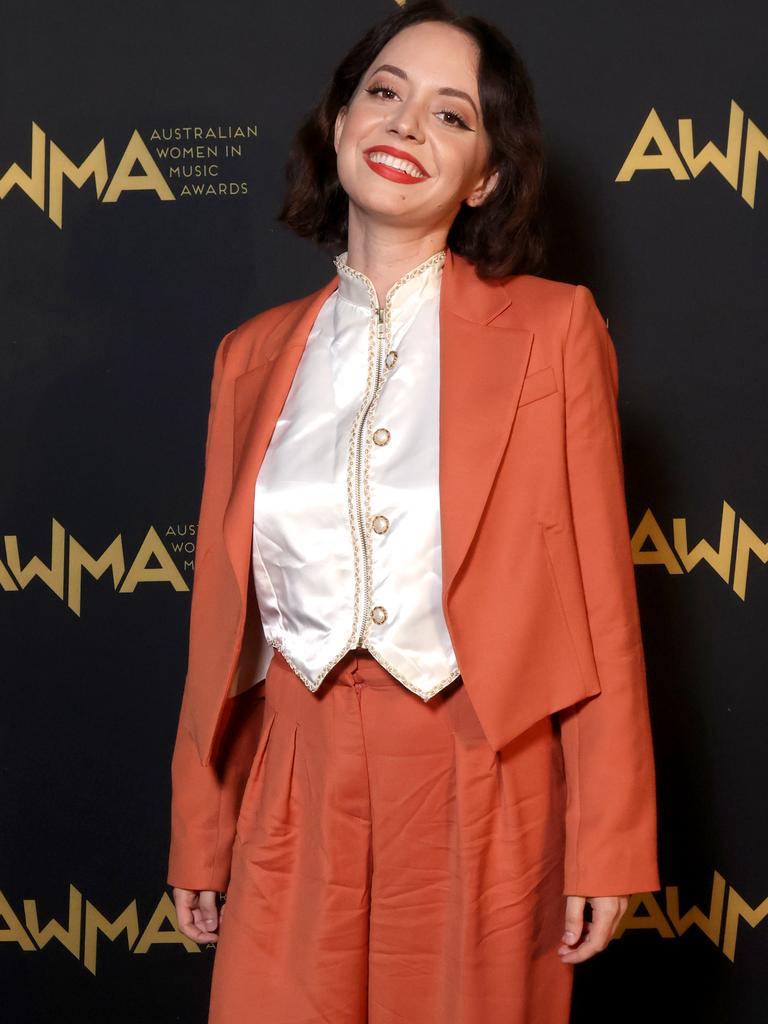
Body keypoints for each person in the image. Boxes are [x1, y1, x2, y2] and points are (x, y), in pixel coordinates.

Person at [167, 1, 660, 1021]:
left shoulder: (555, 329)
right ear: (339, 121)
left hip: (483, 774)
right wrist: (199, 827)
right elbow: (223, 625)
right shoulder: (247, 354)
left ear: (484, 174)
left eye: (452, 114)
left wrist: (609, 838)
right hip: (292, 780)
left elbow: (601, 599)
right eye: (383, 93)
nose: (404, 125)